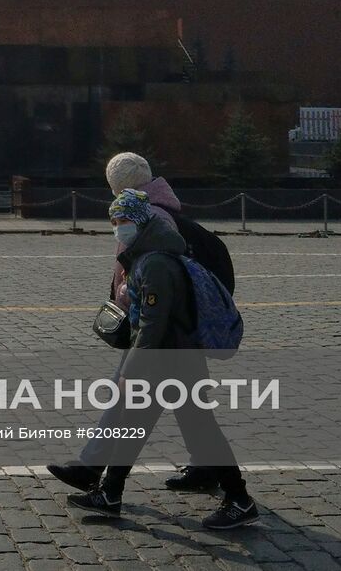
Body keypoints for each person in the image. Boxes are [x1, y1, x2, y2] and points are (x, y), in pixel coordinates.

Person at [48, 189, 258, 530]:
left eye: (124, 220)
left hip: (173, 359)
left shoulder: (155, 263)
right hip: (172, 357)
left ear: (141, 222)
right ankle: (110, 492)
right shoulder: (151, 256)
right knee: (139, 423)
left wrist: (131, 370)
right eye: (115, 221)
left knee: (201, 430)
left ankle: (239, 500)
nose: (119, 228)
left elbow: (151, 325)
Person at [104, 151, 234, 494]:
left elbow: (152, 303)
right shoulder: (160, 224)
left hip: (167, 340)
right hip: (174, 338)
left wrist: (136, 359)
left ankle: (102, 481)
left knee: (144, 412)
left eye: (119, 224)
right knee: (190, 414)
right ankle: (108, 485)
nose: (118, 230)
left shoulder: (152, 241)